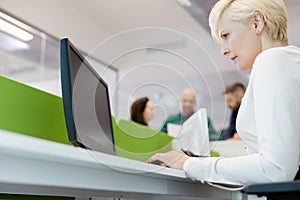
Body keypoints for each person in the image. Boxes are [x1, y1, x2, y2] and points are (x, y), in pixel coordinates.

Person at [148, 0, 300, 185]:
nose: (223, 51)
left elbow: (275, 169)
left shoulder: (271, 60)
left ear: (257, 23)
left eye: (226, 35)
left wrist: (190, 165)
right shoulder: (289, 60)